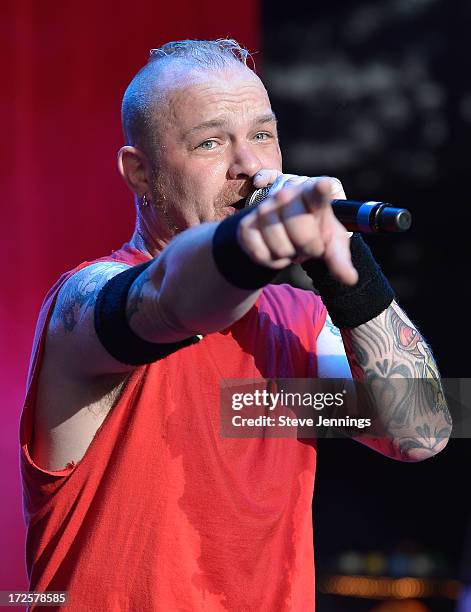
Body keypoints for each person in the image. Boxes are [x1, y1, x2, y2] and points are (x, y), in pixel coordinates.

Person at [20, 39, 451, 611]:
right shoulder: (83, 301)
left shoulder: (300, 322)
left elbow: (420, 433)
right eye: (211, 142)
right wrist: (253, 240)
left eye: (262, 135)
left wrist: (347, 269)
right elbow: (178, 298)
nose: (249, 166)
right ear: (139, 171)